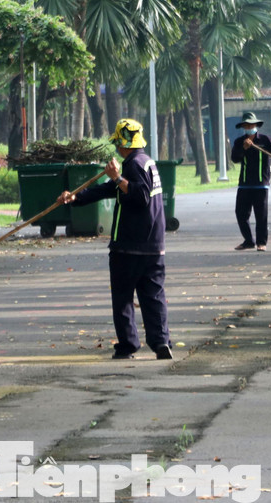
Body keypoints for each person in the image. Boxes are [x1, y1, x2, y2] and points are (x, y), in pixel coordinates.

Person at [59, 118, 172, 360]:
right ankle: (161, 341)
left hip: (129, 247)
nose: (116, 149)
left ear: (124, 143)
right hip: (154, 247)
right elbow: (107, 190)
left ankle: (128, 346)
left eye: (117, 144)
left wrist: (118, 178)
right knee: (153, 297)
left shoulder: (132, 166)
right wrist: (75, 197)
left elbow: (140, 196)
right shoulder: (148, 163)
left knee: (122, 298)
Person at [230, 111, 271, 252]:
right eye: (246, 125)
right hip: (244, 184)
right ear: (243, 127)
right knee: (240, 213)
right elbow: (235, 158)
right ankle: (248, 241)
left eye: (251, 124)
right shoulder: (239, 142)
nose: (249, 127)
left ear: (256, 125)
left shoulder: (265, 140)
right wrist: (243, 149)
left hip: (261, 184)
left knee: (261, 215)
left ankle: (261, 243)